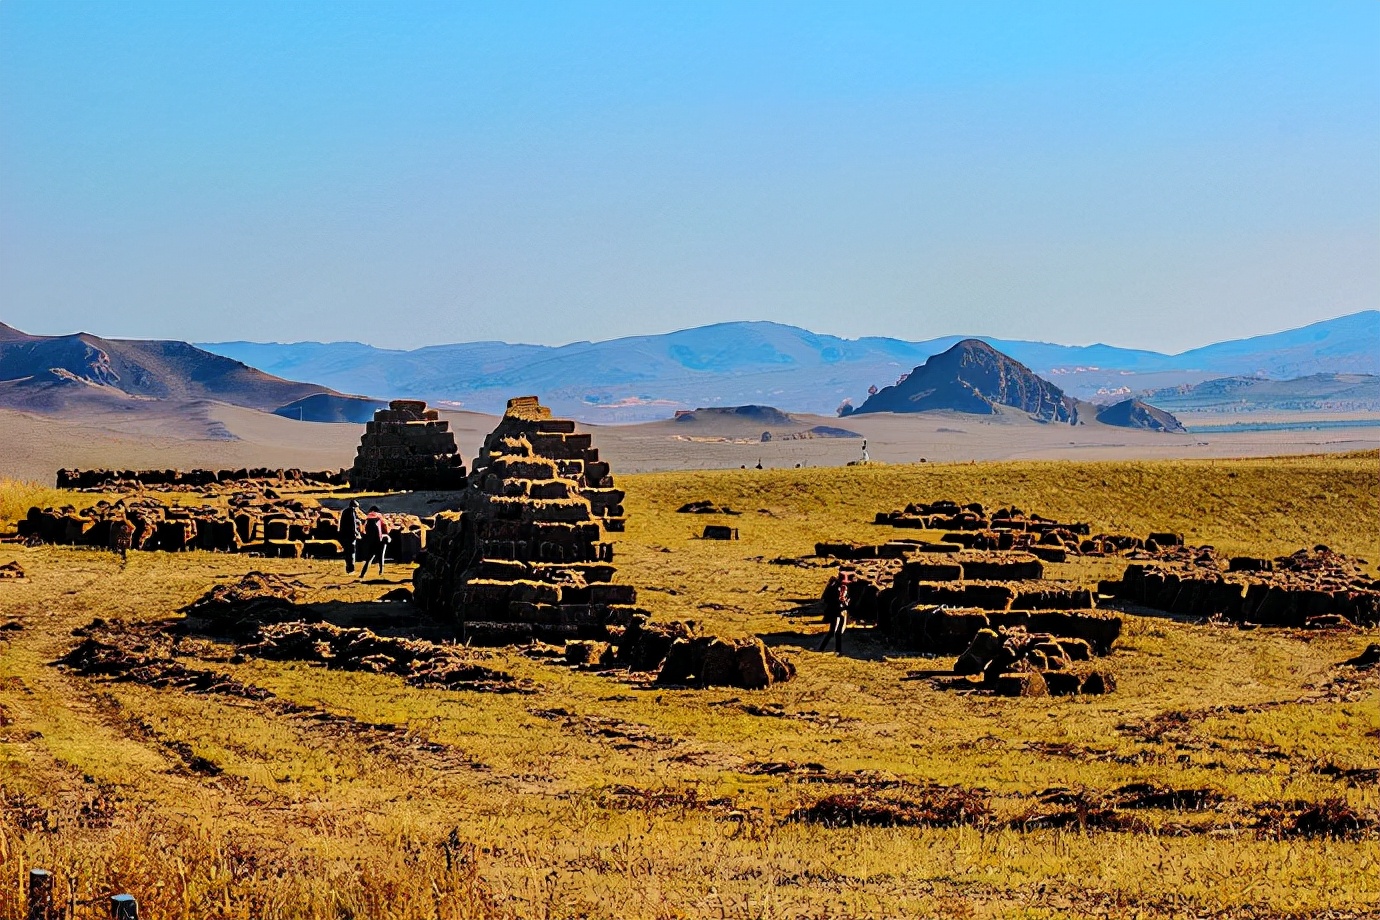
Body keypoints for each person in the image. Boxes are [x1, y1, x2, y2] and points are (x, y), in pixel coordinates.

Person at [819, 566, 854, 654]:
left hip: (837, 610)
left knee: (833, 632)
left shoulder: (835, 585)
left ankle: (824, 648)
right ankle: (836, 650)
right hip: (837, 610)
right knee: (836, 632)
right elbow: (835, 599)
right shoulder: (837, 587)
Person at [358, 506, 390, 577]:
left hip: (371, 541)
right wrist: (386, 534)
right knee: (381, 557)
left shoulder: (368, 517)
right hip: (379, 541)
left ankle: (362, 574)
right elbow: (385, 526)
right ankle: (381, 572)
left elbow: (363, 530)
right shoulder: (379, 516)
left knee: (368, 559)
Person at [339, 500, 362, 574]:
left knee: (347, 553)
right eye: (357, 507)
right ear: (354, 506)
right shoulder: (351, 511)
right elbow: (353, 525)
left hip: (344, 535)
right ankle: (351, 569)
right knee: (352, 552)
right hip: (350, 536)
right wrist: (357, 533)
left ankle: (348, 568)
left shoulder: (344, 511)